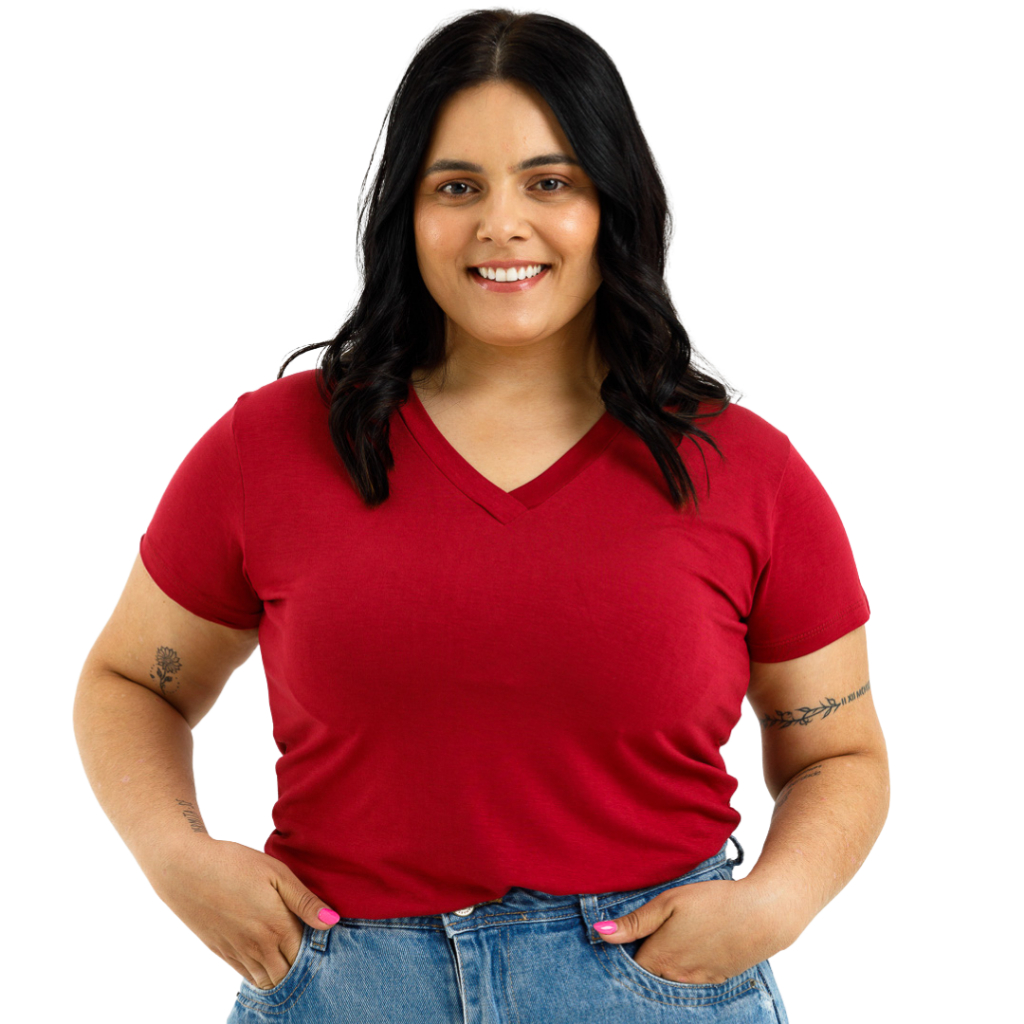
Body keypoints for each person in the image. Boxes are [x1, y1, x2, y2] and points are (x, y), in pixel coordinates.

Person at [73, 9, 888, 1023]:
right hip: (344, 987)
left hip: (653, 987)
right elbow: (129, 681)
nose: (501, 224)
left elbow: (838, 752)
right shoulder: (269, 447)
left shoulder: (746, 471)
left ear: (613, 204)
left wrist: (776, 903)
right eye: (456, 186)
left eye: (550, 183)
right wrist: (175, 856)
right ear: (406, 214)